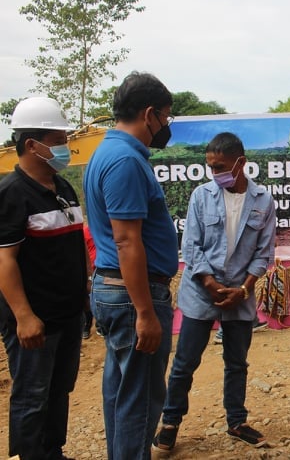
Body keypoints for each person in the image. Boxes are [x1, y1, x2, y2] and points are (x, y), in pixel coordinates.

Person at [152, 132, 276, 452]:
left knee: (237, 362)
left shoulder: (263, 201)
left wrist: (244, 289)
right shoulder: (201, 196)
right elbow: (191, 247)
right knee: (185, 361)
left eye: (220, 166)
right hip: (200, 292)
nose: (214, 172)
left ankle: (237, 421)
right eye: (210, 166)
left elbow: (263, 253)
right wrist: (210, 283)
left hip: (239, 295)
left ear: (241, 163)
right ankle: (170, 422)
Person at [83, 71, 179, 459]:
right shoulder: (124, 160)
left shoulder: (107, 153)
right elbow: (126, 240)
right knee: (140, 400)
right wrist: (144, 312)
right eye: (167, 117)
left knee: (122, 392)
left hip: (116, 290)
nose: (166, 127)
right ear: (150, 113)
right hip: (131, 294)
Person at [0, 97, 86, 459]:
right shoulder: (12, 193)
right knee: (32, 394)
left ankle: (53, 451)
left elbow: (75, 245)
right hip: (36, 320)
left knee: (58, 389)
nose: (65, 147)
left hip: (68, 314)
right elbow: (5, 259)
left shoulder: (62, 188)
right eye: (57, 140)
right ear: (32, 145)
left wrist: (84, 297)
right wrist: (24, 316)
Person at [82, 224, 96, 339]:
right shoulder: (85, 231)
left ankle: (101, 326)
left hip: (103, 269)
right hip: (91, 268)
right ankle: (86, 326)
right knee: (89, 299)